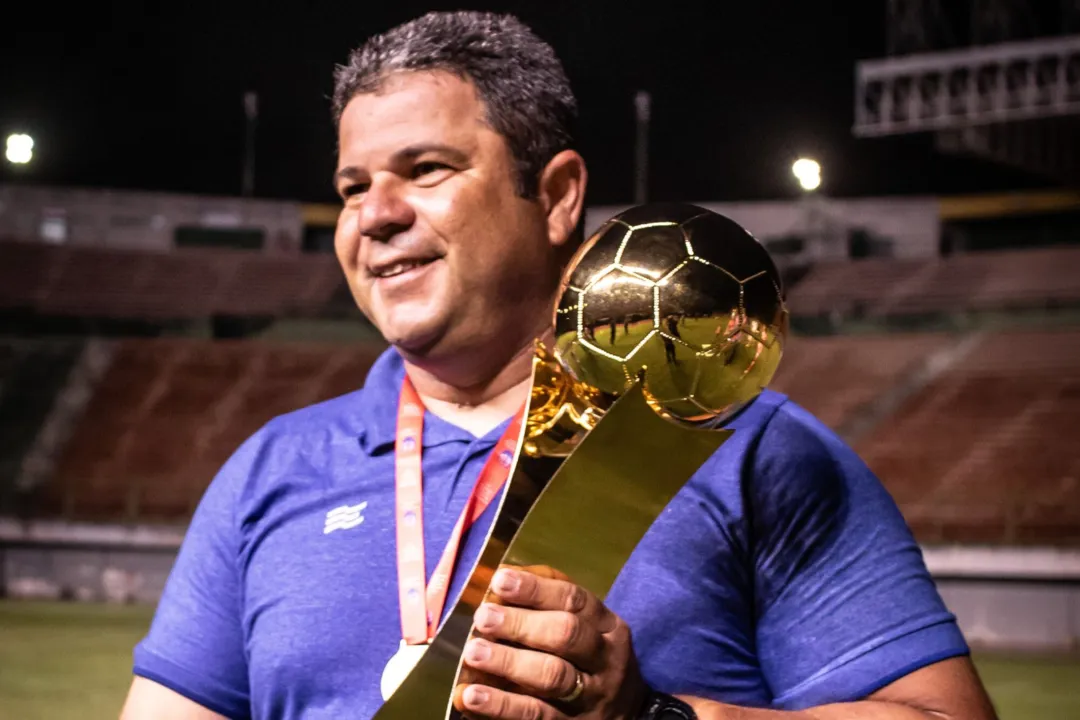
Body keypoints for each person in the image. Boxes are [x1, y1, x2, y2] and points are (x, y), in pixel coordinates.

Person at [121, 11, 999, 720]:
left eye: (424, 170)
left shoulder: (747, 447)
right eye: (352, 187)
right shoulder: (270, 469)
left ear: (556, 195)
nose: (373, 215)